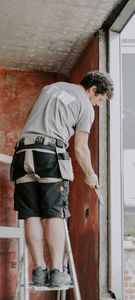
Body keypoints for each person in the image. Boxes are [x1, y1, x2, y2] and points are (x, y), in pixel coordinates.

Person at [10, 70, 113, 287]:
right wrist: (90, 175)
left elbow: (31, 117)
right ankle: (57, 271)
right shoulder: (85, 105)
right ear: (93, 90)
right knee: (54, 214)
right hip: (49, 155)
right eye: (99, 100)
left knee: (31, 214)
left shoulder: (51, 88)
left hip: (22, 153)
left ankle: (39, 270)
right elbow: (81, 148)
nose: (96, 105)